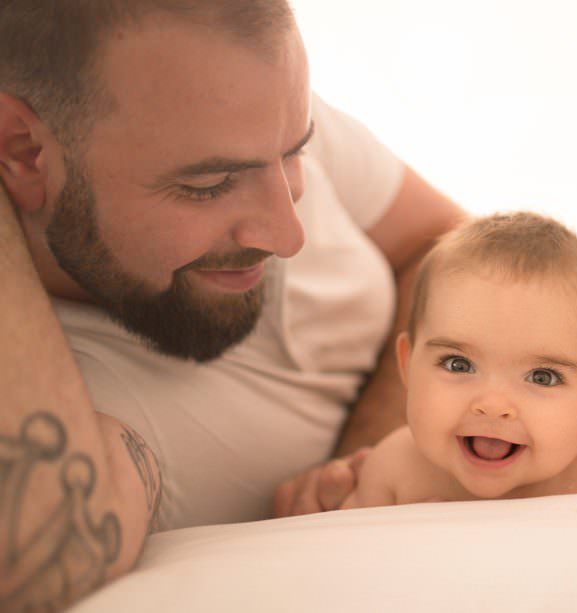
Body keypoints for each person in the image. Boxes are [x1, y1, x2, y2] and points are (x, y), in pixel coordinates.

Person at [0, 1, 463, 610]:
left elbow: (443, 243)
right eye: (208, 185)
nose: (288, 234)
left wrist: (370, 459)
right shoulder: (52, 387)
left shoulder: (244, 108)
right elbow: (42, 552)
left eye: (296, 153)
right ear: (24, 151)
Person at [341, 212, 577, 509]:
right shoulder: (392, 471)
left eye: (542, 377)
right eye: (459, 365)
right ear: (408, 365)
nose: (493, 405)